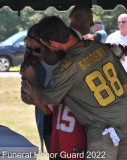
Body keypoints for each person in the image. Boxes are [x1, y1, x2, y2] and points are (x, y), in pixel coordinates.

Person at [22, 16, 127, 159]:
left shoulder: (66, 68)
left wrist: (34, 79)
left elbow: (45, 102)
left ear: (52, 43)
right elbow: (125, 84)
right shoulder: (100, 47)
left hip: (103, 131)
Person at [21, 24, 86, 160]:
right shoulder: (32, 64)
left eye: (37, 49)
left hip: (71, 120)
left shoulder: (68, 61)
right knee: (55, 155)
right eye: (29, 48)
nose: (33, 53)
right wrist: (30, 97)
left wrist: (35, 83)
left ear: (49, 45)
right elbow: (25, 95)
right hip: (48, 116)